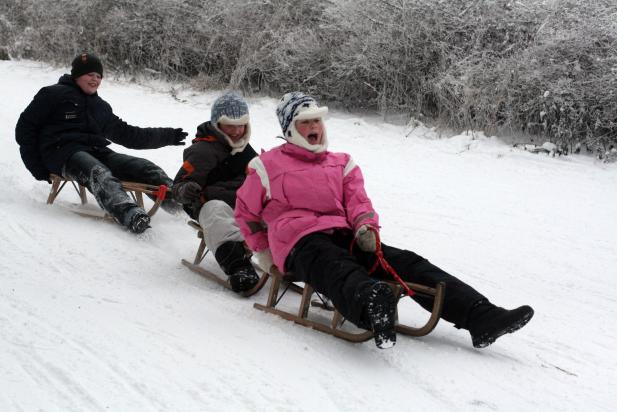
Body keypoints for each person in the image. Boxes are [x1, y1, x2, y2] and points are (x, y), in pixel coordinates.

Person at [235, 92, 534, 349]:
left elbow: (358, 202)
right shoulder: (266, 166)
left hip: (344, 234)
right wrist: (264, 252)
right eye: (305, 122)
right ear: (291, 129)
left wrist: (367, 227)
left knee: (408, 263)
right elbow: (245, 213)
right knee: (334, 264)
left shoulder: (342, 162)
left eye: (317, 121)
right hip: (300, 243)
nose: (314, 127)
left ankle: (482, 316)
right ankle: (372, 307)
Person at [15, 52, 187, 234]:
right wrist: (37, 167)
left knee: (144, 167)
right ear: (76, 75)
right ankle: (129, 213)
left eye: (98, 76)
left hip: (96, 151)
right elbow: (25, 128)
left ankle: (183, 207)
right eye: (89, 74)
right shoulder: (52, 95)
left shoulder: (100, 107)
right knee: (98, 172)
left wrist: (168, 136)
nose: (94, 80)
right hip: (62, 153)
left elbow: (128, 134)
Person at [172, 92, 260, 293]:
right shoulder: (202, 151)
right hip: (209, 204)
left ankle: (289, 258)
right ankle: (238, 266)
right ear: (218, 124)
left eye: (241, 125)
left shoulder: (245, 150)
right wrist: (186, 190)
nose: (237, 131)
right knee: (216, 211)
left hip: (244, 204)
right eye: (230, 125)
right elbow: (177, 188)